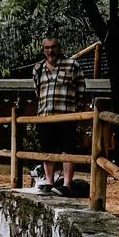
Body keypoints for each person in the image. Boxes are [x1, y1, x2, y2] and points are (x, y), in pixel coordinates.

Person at [32, 38, 86, 193]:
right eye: (47, 48)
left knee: (67, 149)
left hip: (66, 114)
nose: (50, 51)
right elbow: (37, 90)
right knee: (47, 150)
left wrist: (77, 108)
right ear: (43, 50)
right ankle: (49, 182)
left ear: (59, 47)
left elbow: (81, 88)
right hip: (45, 115)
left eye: (53, 47)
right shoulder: (38, 68)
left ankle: (67, 185)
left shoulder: (72, 65)